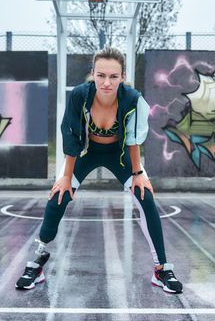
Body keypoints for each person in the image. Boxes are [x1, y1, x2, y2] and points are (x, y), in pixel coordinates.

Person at [15, 47, 183, 294]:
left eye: (113, 76)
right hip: (86, 151)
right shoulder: (80, 96)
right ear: (92, 74)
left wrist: (137, 174)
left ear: (122, 77)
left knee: (145, 197)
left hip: (119, 154)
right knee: (58, 196)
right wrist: (65, 178)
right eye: (101, 75)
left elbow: (134, 140)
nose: (107, 82)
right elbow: (70, 135)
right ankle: (37, 261)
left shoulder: (133, 100)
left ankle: (162, 269)